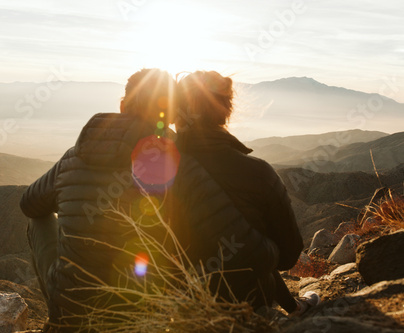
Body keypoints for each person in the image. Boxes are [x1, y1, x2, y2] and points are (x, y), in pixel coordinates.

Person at [19, 68, 180, 332]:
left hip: (72, 308)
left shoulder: (75, 155)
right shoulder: (175, 162)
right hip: (141, 309)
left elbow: (29, 204)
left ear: (122, 105)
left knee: (38, 221)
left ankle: (59, 318)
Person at [174, 70, 319, 315]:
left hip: (173, 303)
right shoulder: (259, 173)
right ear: (226, 111)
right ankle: (294, 308)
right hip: (249, 302)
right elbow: (286, 256)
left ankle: (293, 306)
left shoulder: (150, 172)